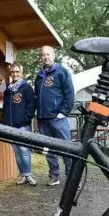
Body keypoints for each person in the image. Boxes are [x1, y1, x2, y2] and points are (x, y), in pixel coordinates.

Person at [34, 46, 74, 186]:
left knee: (67, 148)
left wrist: (63, 112)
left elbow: (69, 93)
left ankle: (72, 177)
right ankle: (54, 176)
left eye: (48, 54)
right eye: (43, 55)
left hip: (58, 118)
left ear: (53, 55)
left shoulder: (61, 72)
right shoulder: (39, 75)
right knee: (48, 149)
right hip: (43, 118)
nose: (45, 57)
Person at [0, 62, 37, 186]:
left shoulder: (26, 88)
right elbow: (5, 107)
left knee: (24, 150)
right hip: (10, 126)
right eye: (13, 72)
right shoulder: (8, 90)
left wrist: (25, 119)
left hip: (22, 125)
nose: (15, 74)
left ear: (22, 73)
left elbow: (31, 106)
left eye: (17, 72)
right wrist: (3, 119)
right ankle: (23, 176)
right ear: (10, 74)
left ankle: (28, 175)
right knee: (16, 151)